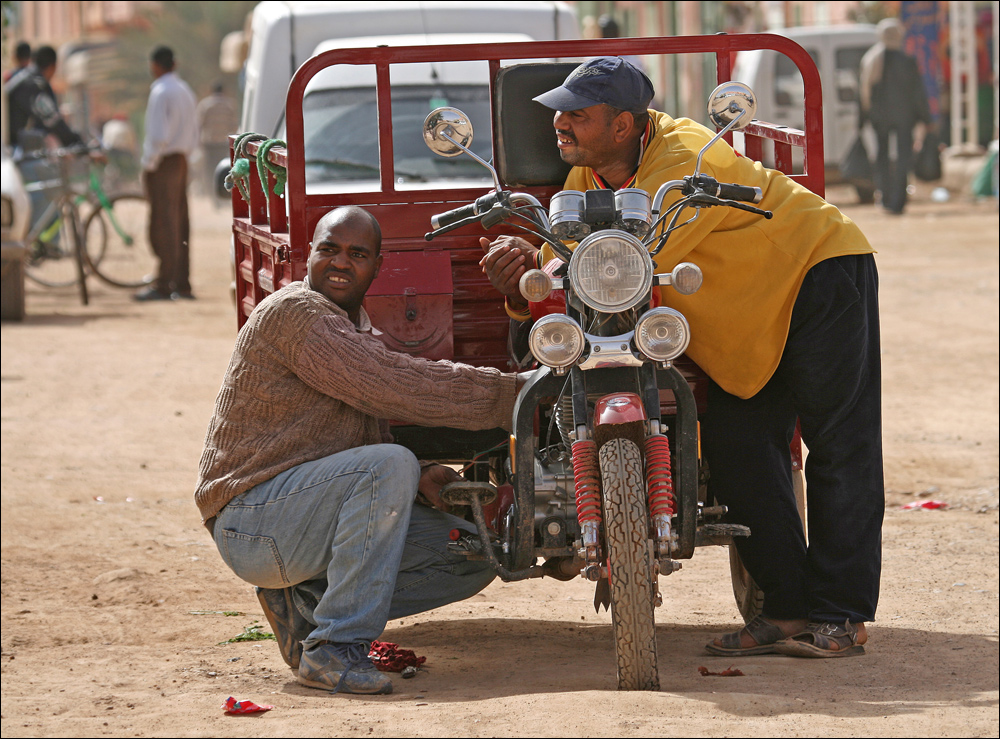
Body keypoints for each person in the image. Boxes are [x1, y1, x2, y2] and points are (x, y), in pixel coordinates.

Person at [481, 57, 883, 658]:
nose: (559, 124)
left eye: (577, 114)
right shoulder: (586, 180)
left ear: (623, 125)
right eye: (560, 112)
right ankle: (789, 609)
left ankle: (842, 616)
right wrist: (522, 281)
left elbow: (623, 257)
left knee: (837, 446)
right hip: (750, 317)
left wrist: (549, 265)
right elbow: (562, 264)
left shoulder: (686, 157)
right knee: (734, 440)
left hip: (815, 275)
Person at [195, 205, 520, 694]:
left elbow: (356, 435)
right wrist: (515, 394)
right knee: (390, 465)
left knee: (472, 553)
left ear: (378, 268)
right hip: (253, 523)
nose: (341, 262)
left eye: (357, 254)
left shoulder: (351, 329)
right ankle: (334, 649)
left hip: (299, 521)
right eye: (329, 249)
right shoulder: (296, 315)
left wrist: (425, 471)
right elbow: (395, 385)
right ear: (309, 255)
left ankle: (305, 608)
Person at [136, 45, 198, 302]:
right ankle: (181, 282)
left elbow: (159, 136)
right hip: (181, 160)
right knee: (179, 221)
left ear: (155, 65)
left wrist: (149, 165)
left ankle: (163, 282)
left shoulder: (161, 92)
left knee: (163, 222)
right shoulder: (184, 90)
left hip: (164, 163)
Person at [4, 45, 87, 232]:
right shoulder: (33, 84)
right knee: (46, 182)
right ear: (53, 66)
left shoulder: (25, 80)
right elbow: (52, 119)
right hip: (10, 152)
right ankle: (35, 238)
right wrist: (76, 143)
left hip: (12, 149)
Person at [859, 18, 931, 214]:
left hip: (879, 118)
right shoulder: (907, 60)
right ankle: (898, 201)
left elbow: (864, 93)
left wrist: (862, 119)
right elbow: (917, 93)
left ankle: (885, 197)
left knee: (881, 156)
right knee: (902, 158)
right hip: (904, 118)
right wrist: (926, 119)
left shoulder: (871, 60)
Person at [195, 83, 239, 198]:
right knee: (223, 169)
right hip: (223, 142)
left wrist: (198, 141)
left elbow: (199, 125)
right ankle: (223, 193)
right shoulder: (229, 105)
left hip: (209, 143)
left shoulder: (205, 105)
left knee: (210, 169)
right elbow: (234, 125)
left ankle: (212, 194)